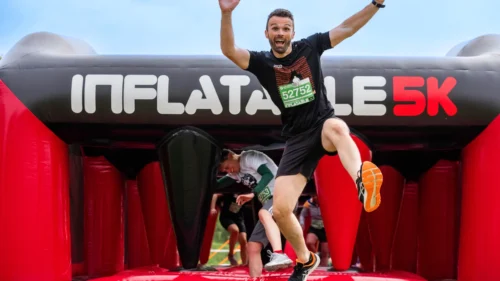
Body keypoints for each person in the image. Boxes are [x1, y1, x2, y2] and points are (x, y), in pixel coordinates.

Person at [218, 0, 385, 280]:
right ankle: (306, 261)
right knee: (281, 210)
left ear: (293, 33)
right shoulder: (261, 62)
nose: (280, 32)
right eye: (275, 28)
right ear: (267, 33)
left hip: (321, 125)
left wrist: (376, 4)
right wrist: (226, 13)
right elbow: (229, 51)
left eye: (285, 28)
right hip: (296, 139)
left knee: (338, 127)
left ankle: (361, 180)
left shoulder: (310, 46)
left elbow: (347, 28)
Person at [217, 149, 293, 277]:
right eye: (225, 171)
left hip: (281, 196)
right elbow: (216, 185)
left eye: (227, 167)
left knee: (263, 214)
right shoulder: (236, 173)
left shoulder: (249, 157)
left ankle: (279, 254)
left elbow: (267, 175)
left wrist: (253, 193)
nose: (229, 171)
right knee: (252, 246)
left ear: (230, 156)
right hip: (270, 203)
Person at [210, 193, 248, 265]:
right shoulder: (230, 189)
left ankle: (245, 264)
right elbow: (215, 195)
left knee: (243, 240)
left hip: (239, 218)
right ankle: (231, 255)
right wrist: (212, 208)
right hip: (226, 217)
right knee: (235, 230)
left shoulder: (245, 190)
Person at [299, 196, 329, 266]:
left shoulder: (326, 201)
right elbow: (302, 214)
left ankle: (323, 267)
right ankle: (316, 255)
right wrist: (302, 223)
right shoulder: (308, 203)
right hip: (314, 227)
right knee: (309, 242)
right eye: (315, 197)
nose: (317, 198)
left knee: (325, 252)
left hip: (325, 229)